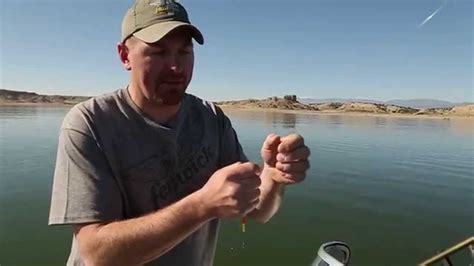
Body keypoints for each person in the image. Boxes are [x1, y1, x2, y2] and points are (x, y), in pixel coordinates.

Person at [48, 0, 311, 265]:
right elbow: (98, 255)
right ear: (125, 56)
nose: (176, 67)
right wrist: (201, 206)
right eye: (158, 53)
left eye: (184, 52)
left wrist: (274, 175)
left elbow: (258, 211)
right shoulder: (89, 123)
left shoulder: (212, 119)